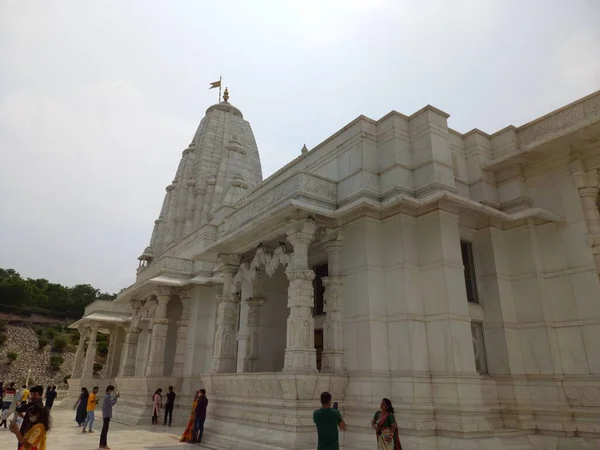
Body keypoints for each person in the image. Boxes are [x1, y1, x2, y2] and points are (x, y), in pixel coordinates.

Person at [16, 385, 45, 449]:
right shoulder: (40, 404)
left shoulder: (34, 404)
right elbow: (33, 419)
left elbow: (19, 409)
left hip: (27, 433)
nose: (30, 396)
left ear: (36, 393)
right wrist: (24, 417)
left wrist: (18, 405)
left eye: (31, 394)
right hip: (32, 433)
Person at [99, 385, 119, 450]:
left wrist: (115, 397)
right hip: (107, 415)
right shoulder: (107, 397)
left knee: (104, 430)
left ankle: (101, 444)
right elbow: (112, 403)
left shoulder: (107, 397)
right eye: (112, 390)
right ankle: (104, 445)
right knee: (105, 431)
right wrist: (116, 397)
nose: (112, 392)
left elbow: (110, 403)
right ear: (109, 390)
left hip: (106, 415)